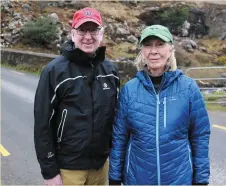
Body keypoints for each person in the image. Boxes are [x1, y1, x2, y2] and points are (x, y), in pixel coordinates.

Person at [109, 25, 210, 185]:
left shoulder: (189, 88)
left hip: (179, 179)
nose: (153, 51)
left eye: (160, 44)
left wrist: (201, 179)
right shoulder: (129, 90)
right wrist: (114, 177)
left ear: (170, 49)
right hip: (138, 179)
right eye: (148, 45)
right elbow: (120, 136)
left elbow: (200, 135)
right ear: (142, 50)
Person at [34, 7, 120, 185]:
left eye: (93, 30)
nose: (88, 36)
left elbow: (115, 119)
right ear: (73, 34)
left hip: (100, 167)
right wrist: (49, 172)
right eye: (82, 30)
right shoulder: (54, 71)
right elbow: (43, 124)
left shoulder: (110, 71)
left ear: (101, 34)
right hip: (68, 169)